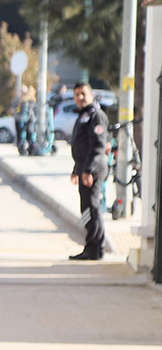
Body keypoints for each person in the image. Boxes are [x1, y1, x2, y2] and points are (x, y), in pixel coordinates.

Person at [68, 82, 109, 261]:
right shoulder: (83, 115)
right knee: (89, 208)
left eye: (83, 94)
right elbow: (81, 146)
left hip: (93, 168)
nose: (80, 97)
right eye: (77, 94)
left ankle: (94, 248)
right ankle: (94, 247)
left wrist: (88, 170)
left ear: (91, 95)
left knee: (91, 208)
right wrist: (76, 169)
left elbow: (98, 146)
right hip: (84, 168)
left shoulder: (96, 115)